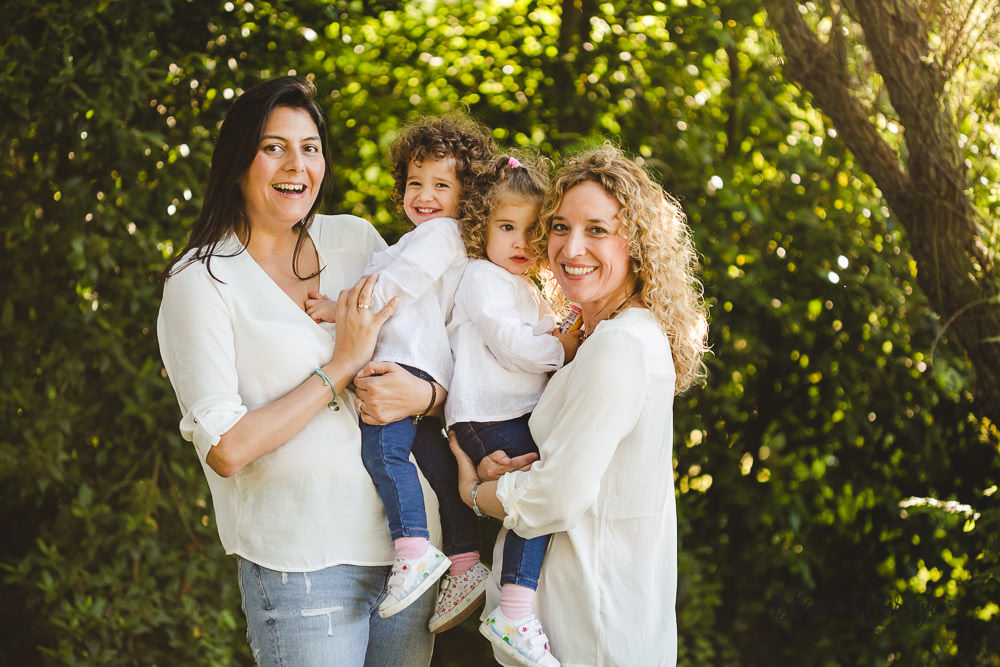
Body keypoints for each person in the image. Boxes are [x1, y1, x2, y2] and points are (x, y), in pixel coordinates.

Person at [157, 76, 443, 666]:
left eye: (310, 146)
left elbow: (431, 351)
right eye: (273, 146)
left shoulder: (357, 240)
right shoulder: (202, 281)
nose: (297, 163)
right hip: (301, 563)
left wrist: (428, 392)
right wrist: (341, 364)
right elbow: (228, 448)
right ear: (238, 161)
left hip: (409, 552)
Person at [450, 144, 709, 667]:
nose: (572, 247)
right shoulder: (594, 341)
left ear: (635, 243)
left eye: (596, 229)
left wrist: (477, 492)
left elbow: (553, 498)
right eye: (561, 227)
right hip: (570, 631)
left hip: (591, 632)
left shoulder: (621, 345)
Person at [305, 114, 497, 626]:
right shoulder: (431, 237)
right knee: (436, 467)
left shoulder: (439, 235)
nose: (425, 195)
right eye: (416, 183)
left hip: (408, 357)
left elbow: (397, 282)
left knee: (383, 450)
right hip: (424, 363)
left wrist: (341, 310)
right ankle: (465, 561)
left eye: (441, 184)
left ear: (467, 195)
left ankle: (413, 550)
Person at [444, 151, 580, 663]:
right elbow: (513, 345)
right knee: (534, 499)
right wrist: (561, 348)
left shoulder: (523, 287)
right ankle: (514, 612)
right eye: (507, 227)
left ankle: (513, 605)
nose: (521, 242)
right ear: (482, 229)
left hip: (511, 414)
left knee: (534, 497)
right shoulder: (481, 278)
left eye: (532, 230)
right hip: (488, 414)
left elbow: (542, 335)